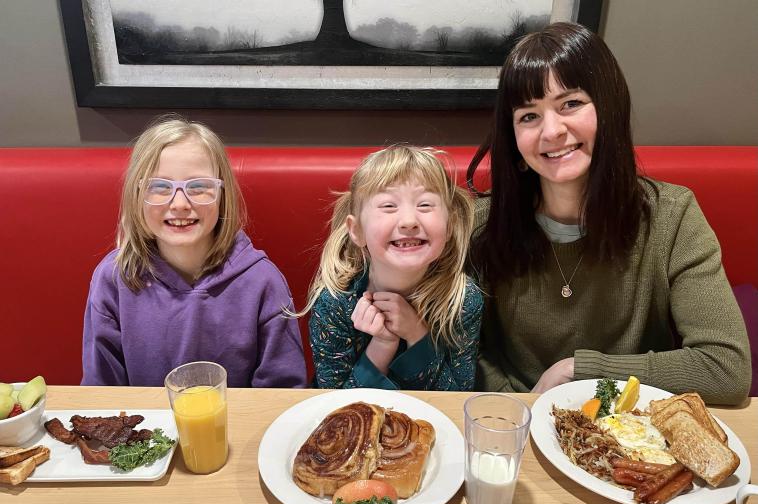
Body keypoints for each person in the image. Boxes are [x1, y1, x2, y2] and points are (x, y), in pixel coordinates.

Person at [468, 22, 750, 405]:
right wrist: (518, 411)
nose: (551, 130)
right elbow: (463, 348)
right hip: (515, 425)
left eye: (570, 104)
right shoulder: (481, 224)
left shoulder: (672, 217)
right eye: (528, 116)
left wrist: (579, 371)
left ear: (609, 108)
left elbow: (726, 368)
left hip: (631, 432)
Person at [81, 115, 307, 388]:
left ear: (222, 196)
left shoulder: (263, 282)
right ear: (137, 194)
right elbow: (101, 391)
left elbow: (280, 393)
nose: (179, 204)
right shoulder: (114, 278)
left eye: (198, 188)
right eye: (160, 187)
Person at [303, 145, 482, 390]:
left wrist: (418, 336)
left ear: (449, 226)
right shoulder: (334, 303)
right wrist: (382, 345)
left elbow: (458, 398)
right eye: (388, 206)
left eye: (425, 205)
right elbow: (336, 409)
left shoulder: (462, 300)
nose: (409, 221)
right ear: (356, 231)